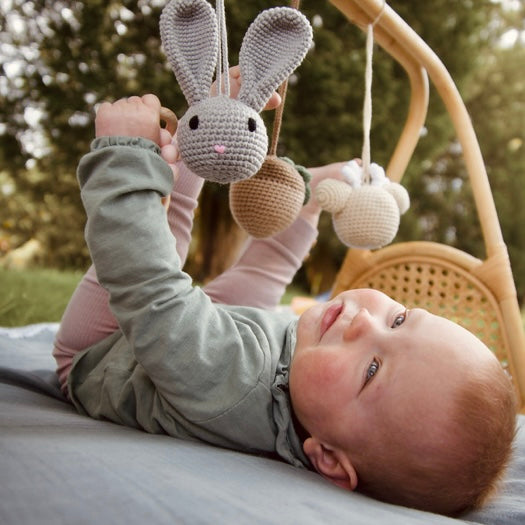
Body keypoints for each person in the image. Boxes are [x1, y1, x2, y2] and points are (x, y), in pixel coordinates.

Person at [54, 93, 516, 517]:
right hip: (219, 343)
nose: (362, 324)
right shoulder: (308, 380)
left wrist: (125, 157)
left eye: (372, 369)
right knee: (260, 283)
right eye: (398, 319)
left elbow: (147, 286)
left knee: (164, 232)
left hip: (105, 350)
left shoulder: (233, 378)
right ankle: (295, 194)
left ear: (329, 458)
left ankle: (187, 148)